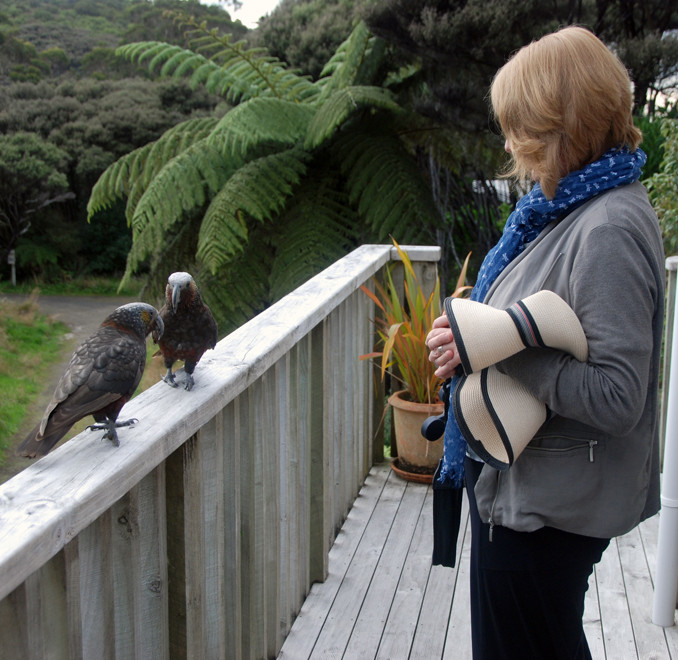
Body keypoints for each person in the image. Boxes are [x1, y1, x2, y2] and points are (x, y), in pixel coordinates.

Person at [425, 26, 665, 660]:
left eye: (521, 124)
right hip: (525, 488)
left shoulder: (607, 226)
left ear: (564, 124)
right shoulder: (562, 208)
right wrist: (471, 335)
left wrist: (499, 348)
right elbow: (534, 319)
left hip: (548, 510)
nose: (510, 142)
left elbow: (618, 397)